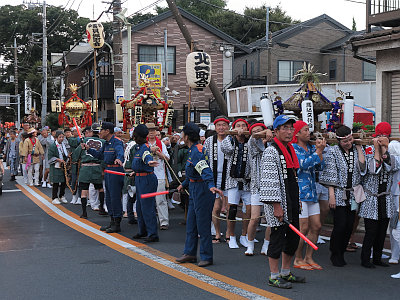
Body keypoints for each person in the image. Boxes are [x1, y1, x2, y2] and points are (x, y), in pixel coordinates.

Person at [260, 115, 305, 289]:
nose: (289, 131)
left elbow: (293, 177)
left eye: (291, 128)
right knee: (277, 237)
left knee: (293, 238)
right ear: (276, 131)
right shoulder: (271, 151)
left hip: (291, 199)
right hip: (278, 203)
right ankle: (274, 275)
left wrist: (297, 200)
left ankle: (286, 272)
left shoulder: (290, 149)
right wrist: (276, 206)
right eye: (284, 128)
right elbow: (269, 180)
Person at [176, 123, 223, 267]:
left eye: (182, 133)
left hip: (202, 189)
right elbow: (193, 172)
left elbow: (205, 170)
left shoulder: (197, 151)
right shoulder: (192, 149)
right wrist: (183, 185)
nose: (180, 136)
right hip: (194, 187)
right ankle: (189, 253)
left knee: (202, 225)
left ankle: (207, 256)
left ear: (187, 136)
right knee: (191, 223)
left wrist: (211, 185)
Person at [319, 125, 366, 267]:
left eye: (350, 140)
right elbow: (331, 173)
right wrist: (331, 195)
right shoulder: (333, 151)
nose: (348, 143)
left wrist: (358, 148)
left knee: (350, 225)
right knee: (340, 225)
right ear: (339, 140)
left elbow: (363, 167)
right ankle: (335, 253)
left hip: (353, 193)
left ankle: (342, 252)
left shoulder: (357, 150)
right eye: (345, 141)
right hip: (339, 192)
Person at [359, 122, 399, 268]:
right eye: (380, 135)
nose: (382, 138)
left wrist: (385, 149)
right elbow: (373, 170)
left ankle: (377, 258)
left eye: (385, 136)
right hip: (371, 197)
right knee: (371, 231)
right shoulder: (368, 149)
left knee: (382, 231)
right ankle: (365, 259)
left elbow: (392, 166)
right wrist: (377, 149)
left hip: (385, 197)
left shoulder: (391, 150)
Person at [292, 121, 326, 270]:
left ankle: (309, 257)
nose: (309, 133)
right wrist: (317, 153)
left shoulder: (312, 147)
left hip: (312, 191)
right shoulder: (293, 148)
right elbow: (302, 165)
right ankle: (298, 258)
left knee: (317, 226)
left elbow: (321, 166)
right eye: (305, 130)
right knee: (303, 228)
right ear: (297, 133)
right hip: (299, 192)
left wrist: (320, 151)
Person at [83, 122, 125, 233]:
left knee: (115, 197)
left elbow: (120, 153)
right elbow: (100, 155)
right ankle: (112, 221)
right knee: (109, 197)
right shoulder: (106, 143)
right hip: (108, 171)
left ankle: (117, 223)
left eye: (101, 130)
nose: (99, 133)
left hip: (116, 170)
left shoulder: (117, 142)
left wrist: (119, 159)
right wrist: (88, 149)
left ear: (107, 131)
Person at [221, 118, 252, 249]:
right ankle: (231, 235)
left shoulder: (250, 141)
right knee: (232, 209)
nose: (241, 128)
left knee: (249, 210)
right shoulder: (230, 140)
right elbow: (225, 149)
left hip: (247, 181)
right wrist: (232, 134)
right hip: (232, 180)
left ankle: (245, 235)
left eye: (243, 125)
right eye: (238, 125)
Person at [246, 122, 273, 256]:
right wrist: (265, 131)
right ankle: (250, 244)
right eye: (254, 131)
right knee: (254, 218)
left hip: (271, 187)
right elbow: (254, 137)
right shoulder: (251, 144)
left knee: (271, 219)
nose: (257, 133)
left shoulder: (272, 145)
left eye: (260, 130)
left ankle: (266, 244)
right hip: (257, 186)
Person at [130, 124, 160, 243]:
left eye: (136, 136)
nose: (134, 138)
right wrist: (135, 172)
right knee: (140, 207)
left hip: (147, 179)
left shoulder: (145, 148)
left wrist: (149, 162)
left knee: (147, 207)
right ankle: (142, 230)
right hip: (139, 178)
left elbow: (146, 157)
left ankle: (152, 233)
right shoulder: (138, 147)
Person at [203, 116, 230, 243]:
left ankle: (230, 234)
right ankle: (217, 233)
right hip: (213, 176)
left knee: (231, 207)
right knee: (216, 208)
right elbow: (204, 158)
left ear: (228, 127)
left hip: (229, 177)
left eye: (224, 125)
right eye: (219, 125)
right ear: (215, 127)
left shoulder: (231, 140)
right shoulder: (209, 141)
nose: (221, 127)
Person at [74, 126, 106, 219]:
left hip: (85, 168)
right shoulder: (103, 142)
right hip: (97, 167)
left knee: (84, 191)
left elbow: (76, 155)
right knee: (100, 188)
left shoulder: (84, 141)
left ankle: (84, 212)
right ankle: (101, 208)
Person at [146, 123, 170, 230]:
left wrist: (158, 153)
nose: (151, 132)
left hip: (159, 174)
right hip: (146, 174)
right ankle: (149, 222)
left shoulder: (161, 144)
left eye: (153, 130)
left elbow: (167, 158)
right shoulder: (143, 144)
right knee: (147, 200)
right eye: (149, 130)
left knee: (160, 199)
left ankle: (163, 221)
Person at [388, 136, 400, 265]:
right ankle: (394, 254)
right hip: (394, 193)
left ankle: (395, 255)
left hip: (397, 194)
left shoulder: (395, 153)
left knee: (396, 226)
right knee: (394, 226)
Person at [48, 130, 68, 204]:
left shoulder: (64, 145)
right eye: (60, 137)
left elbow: (66, 154)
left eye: (63, 137)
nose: (61, 139)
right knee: (56, 182)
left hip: (63, 165)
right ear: (56, 138)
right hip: (55, 166)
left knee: (63, 182)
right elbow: (50, 157)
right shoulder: (52, 146)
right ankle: (54, 197)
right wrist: (58, 159)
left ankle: (62, 196)